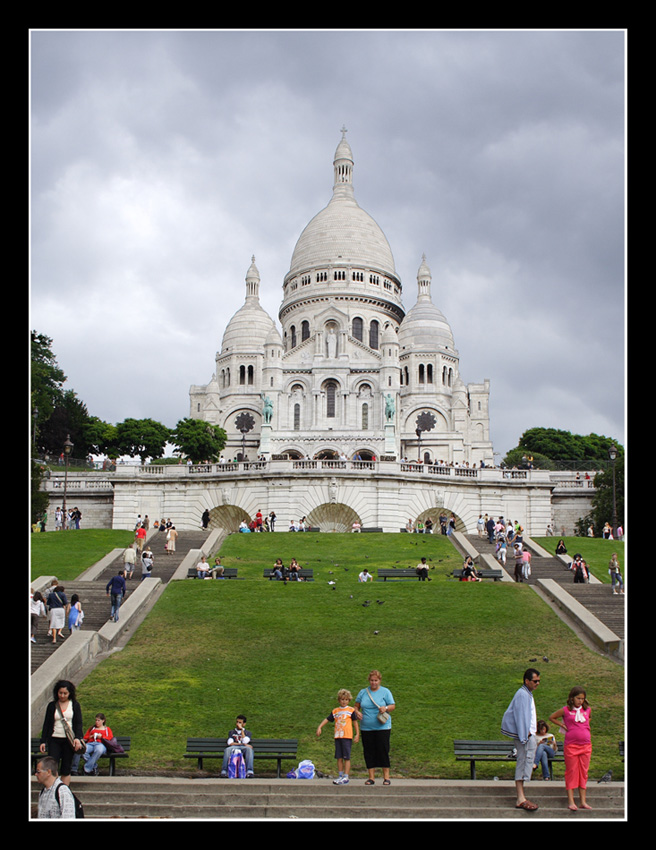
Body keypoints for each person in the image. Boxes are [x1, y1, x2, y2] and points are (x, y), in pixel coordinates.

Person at [501, 668, 541, 811]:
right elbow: (521, 716)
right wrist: (526, 735)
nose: (537, 683)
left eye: (539, 681)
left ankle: (521, 796)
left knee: (525, 764)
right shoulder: (522, 694)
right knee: (522, 763)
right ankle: (520, 798)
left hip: (528, 735)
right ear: (527, 681)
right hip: (525, 736)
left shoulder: (527, 694)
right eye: (535, 681)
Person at [549, 687, 593, 811]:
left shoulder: (587, 710)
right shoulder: (566, 710)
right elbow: (552, 717)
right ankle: (571, 801)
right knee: (571, 771)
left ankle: (583, 801)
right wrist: (563, 725)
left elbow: (589, 718)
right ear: (572, 698)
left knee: (583, 772)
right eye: (578, 698)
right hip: (571, 746)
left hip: (586, 745)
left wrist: (586, 728)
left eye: (582, 699)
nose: (580, 701)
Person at [39, 680, 84, 786]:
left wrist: (77, 738)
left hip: (68, 740)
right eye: (60, 693)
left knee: (66, 767)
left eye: (65, 693)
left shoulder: (75, 705)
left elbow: (78, 723)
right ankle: (52, 789)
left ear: (70, 694)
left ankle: (64, 791)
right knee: (52, 766)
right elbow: (47, 724)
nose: (62, 695)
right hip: (54, 738)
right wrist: (43, 741)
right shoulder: (52, 706)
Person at [354, 670, 395, 785]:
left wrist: (385, 708)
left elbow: (393, 706)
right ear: (369, 680)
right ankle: (371, 777)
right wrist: (357, 712)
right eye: (372, 680)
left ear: (379, 681)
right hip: (366, 727)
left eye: (376, 680)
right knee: (369, 751)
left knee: (383, 750)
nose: (374, 683)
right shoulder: (363, 692)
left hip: (382, 727)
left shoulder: (385, 692)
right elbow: (356, 706)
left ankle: (386, 777)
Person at [316, 688, 360, 785]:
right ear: (339, 700)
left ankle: (346, 776)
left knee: (346, 757)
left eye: (346, 700)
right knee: (339, 757)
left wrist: (357, 734)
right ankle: (340, 775)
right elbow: (327, 719)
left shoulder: (351, 710)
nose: (344, 701)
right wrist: (320, 727)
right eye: (342, 699)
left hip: (347, 736)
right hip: (338, 736)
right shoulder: (335, 711)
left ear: (349, 700)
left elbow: (355, 723)